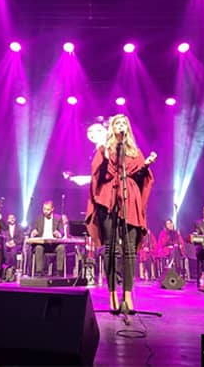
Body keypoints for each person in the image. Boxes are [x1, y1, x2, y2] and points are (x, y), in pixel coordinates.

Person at [85, 114, 156, 314]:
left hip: (129, 198)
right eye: (118, 123)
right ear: (112, 128)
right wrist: (105, 160)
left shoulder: (135, 151)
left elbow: (140, 177)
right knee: (110, 249)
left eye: (124, 123)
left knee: (130, 249)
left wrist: (146, 165)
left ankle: (127, 294)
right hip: (108, 197)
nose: (121, 125)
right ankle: (112, 294)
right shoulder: (104, 149)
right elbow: (97, 174)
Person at [30, 201, 66, 276]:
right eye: (44, 209)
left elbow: (62, 232)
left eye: (48, 209)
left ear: (52, 209)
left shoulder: (58, 218)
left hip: (54, 245)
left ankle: (59, 271)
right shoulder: (39, 218)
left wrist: (59, 234)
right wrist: (33, 233)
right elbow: (33, 230)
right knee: (38, 248)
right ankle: (39, 272)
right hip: (42, 244)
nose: (45, 211)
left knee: (61, 248)